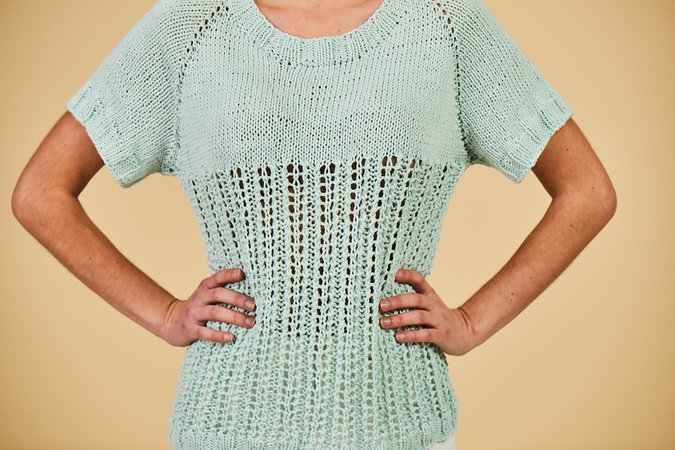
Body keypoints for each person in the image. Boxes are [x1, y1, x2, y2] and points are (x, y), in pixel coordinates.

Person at [11, 0, 616, 449]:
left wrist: (473, 322)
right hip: (229, 426)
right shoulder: (190, 26)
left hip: (401, 424)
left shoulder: (444, 23)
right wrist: (165, 314)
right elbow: (40, 193)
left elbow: (588, 192)